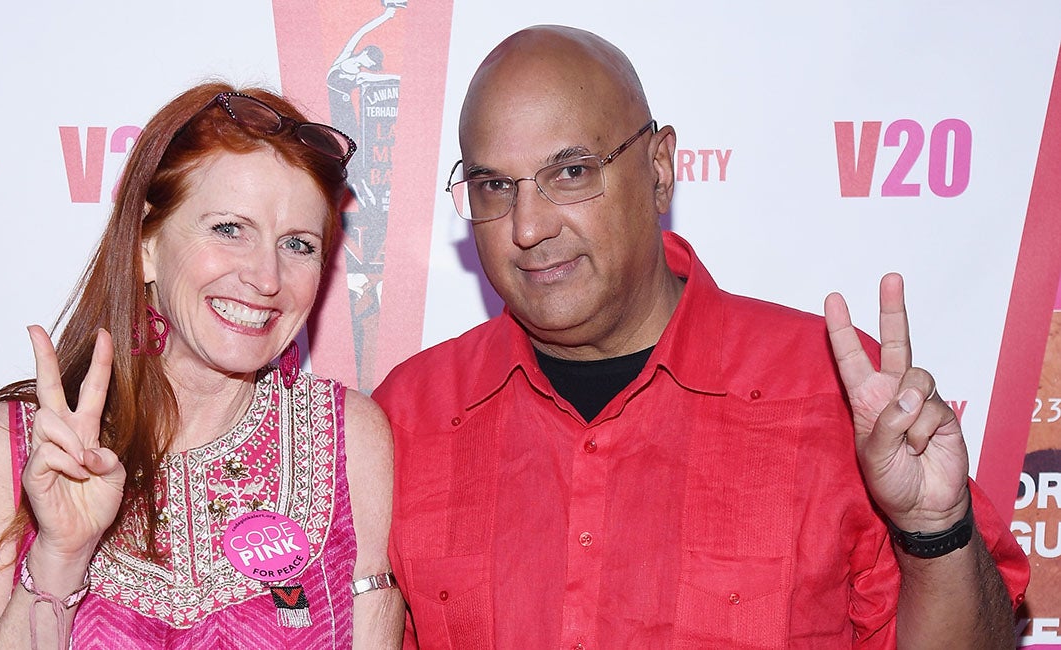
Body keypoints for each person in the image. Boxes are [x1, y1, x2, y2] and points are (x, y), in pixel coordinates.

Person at [372, 25, 1030, 648]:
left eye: (571, 173)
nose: (528, 227)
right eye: (494, 186)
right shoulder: (408, 418)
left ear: (659, 169)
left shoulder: (833, 390)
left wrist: (933, 531)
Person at [0, 82, 405, 649]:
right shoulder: (0, 452)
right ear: (146, 245)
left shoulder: (350, 439)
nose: (267, 277)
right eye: (229, 229)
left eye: (298, 244)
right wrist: (59, 559)